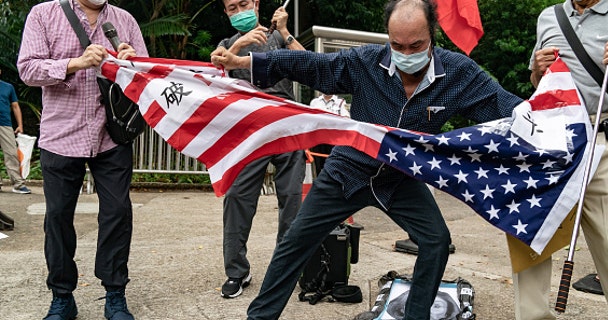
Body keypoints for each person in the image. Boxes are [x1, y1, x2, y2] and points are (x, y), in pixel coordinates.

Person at [212, 0, 523, 318]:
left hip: (400, 176)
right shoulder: (365, 62)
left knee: (436, 241)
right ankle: (260, 316)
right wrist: (247, 61)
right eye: (397, 45)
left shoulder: (458, 74)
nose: (406, 54)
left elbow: (510, 109)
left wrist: (558, 115)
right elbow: (310, 65)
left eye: (416, 45)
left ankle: (416, 315)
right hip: (347, 171)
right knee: (295, 241)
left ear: (432, 35)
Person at [17, 0, 147, 319]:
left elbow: (147, 76)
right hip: (61, 134)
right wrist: (75, 63)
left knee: (118, 212)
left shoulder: (124, 19)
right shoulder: (43, 14)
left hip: (111, 135)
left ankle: (115, 294)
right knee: (58, 217)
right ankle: (62, 296)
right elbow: (28, 69)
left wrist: (132, 66)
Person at [512, 0, 608, 319]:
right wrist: (538, 72)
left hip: (607, 140)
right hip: (552, 141)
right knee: (530, 238)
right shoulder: (549, 17)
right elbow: (537, 85)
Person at [211, 0, 307, 299]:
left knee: (292, 201)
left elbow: (310, 63)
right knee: (238, 199)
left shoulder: (278, 36)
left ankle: (286, 269)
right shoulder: (227, 44)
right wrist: (240, 43)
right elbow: (213, 72)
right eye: (232, 8)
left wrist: (285, 31)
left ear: (256, 3)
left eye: (244, 4)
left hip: (287, 127)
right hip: (248, 132)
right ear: (226, 13)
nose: (239, 11)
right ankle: (236, 272)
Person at [0, 67, 31, 194]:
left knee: (11, 154)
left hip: (5, 124)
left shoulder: (8, 87)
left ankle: (18, 184)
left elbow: (15, 106)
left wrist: (20, 125)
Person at [308, 93, 349, 175]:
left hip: (334, 140)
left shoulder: (340, 102)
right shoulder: (315, 102)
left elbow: (346, 119)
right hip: (318, 140)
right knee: (319, 167)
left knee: (333, 165)